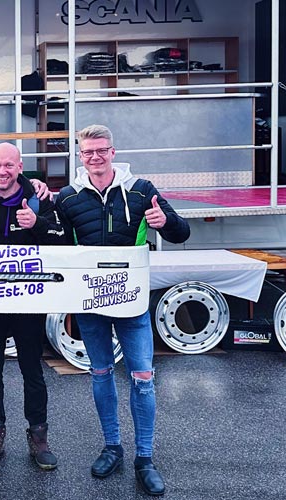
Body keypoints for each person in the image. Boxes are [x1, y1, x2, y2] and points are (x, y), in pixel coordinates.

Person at [55, 124, 190, 496]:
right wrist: (38, 218)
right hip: (91, 304)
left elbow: (182, 232)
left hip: (132, 305)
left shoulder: (142, 190)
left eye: (101, 150)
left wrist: (168, 222)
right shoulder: (67, 197)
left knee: (142, 380)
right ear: (80, 156)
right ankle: (112, 446)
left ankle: (144, 457)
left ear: (113, 152)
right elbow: (57, 246)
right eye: (88, 152)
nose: (95, 157)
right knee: (100, 375)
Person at [0, 142, 68, 470]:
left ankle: (39, 437)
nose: (2, 171)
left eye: (9, 165)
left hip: (28, 299)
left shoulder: (40, 198)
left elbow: (64, 238)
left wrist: (35, 223)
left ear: (20, 166)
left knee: (32, 369)